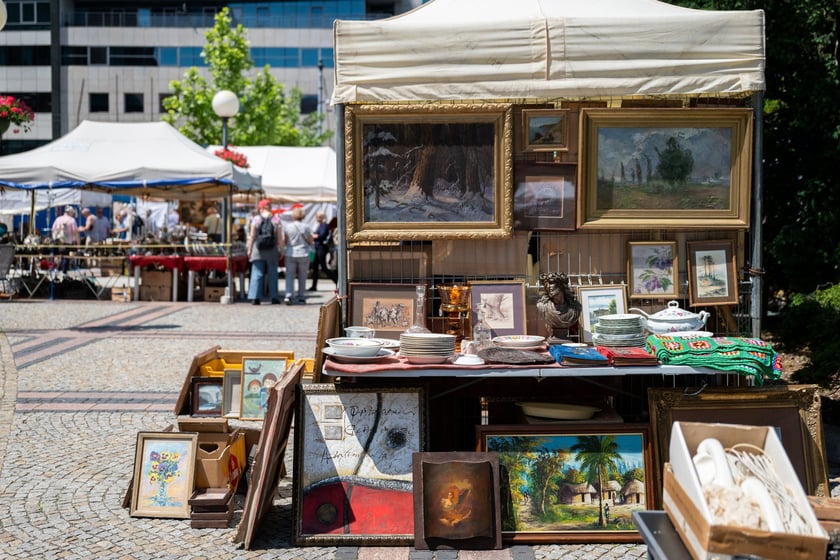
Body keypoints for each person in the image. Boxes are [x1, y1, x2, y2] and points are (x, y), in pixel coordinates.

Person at [246, 199, 283, 305]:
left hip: (258, 249)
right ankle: (274, 297)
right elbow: (280, 237)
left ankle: (255, 297)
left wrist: (249, 249)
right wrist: (282, 250)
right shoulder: (276, 219)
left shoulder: (256, 219)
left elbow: (252, 236)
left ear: (260, 208)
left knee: (257, 273)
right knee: (272, 273)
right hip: (272, 249)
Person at [282, 207, 314, 305]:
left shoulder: (288, 226)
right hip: (303, 252)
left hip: (291, 252)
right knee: (302, 276)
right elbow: (310, 241)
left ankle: (289, 295)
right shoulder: (306, 227)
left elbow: (285, 241)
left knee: (289, 275)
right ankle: (301, 296)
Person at [309, 211, 338, 291]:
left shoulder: (324, 225)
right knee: (315, 267)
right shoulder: (320, 225)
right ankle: (314, 286)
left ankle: (337, 281)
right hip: (318, 248)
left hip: (322, 248)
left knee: (324, 267)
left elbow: (322, 236)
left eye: (318, 216)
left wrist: (314, 236)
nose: (316, 218)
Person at [50, 206, 80, 273]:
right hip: (67, 242)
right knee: (65, 257)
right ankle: (64, 272)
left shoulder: (58, 219)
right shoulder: (72, 220)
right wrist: (78, 243)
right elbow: (75, 232)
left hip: (57, 241)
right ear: (70, 212)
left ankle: (53, 270)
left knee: (55, 255)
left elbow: (53, 229)